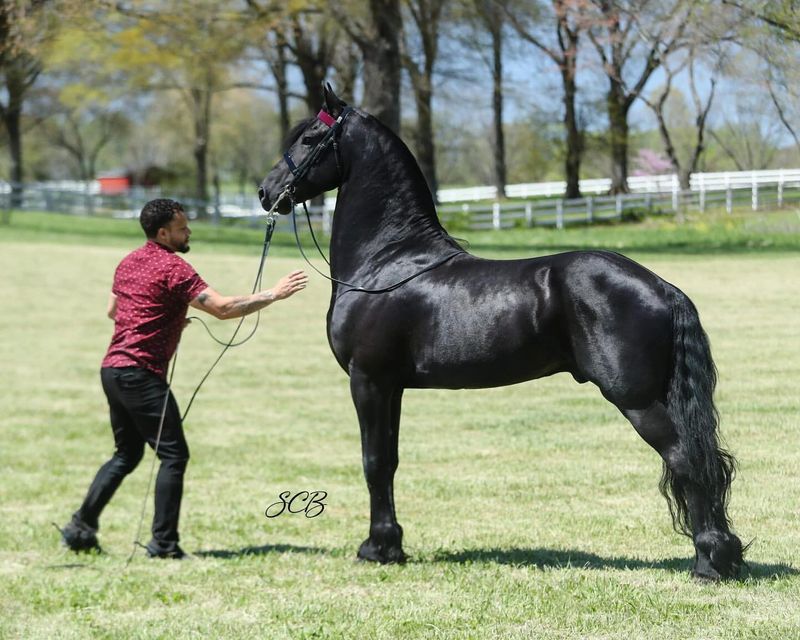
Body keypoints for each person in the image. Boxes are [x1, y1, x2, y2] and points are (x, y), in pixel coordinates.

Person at [60, 198, 308, 558]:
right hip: (139, 373)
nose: (188, 231)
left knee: (126, 455)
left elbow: (115, 311)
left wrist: (168, 319)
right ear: (163, 233)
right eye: (182, 227)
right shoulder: (174, 268)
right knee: (174, 456)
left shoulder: (129, 261)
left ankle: (80, 528)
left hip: (112, 369)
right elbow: (222, 309)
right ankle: (163, 544)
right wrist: (275, 293)